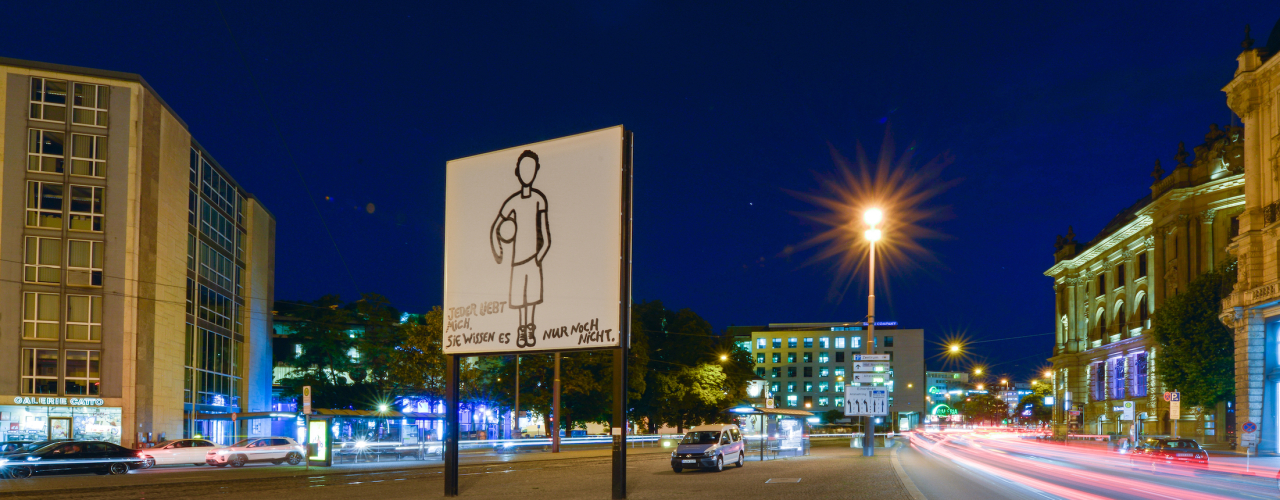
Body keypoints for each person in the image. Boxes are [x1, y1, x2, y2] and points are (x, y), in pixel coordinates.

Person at [490, 150, 552, 349]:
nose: (528, 172)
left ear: (536, 171)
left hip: (533, 259)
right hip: (517, 261)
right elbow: (495, 228)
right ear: (517, 171)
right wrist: (498, 251)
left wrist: (539, 256)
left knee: (531, 299)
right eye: (524, 168)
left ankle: (530, 328)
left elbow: (546, 234)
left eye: (531, 168)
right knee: (519, 300)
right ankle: (521, 329)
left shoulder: (539, 199)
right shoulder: (513, 202)